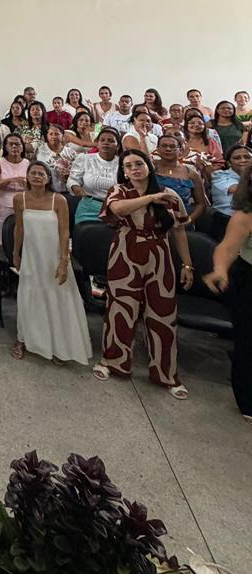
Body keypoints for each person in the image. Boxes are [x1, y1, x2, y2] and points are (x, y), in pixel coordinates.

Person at [93, 151, 192, 398]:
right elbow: (118, 209)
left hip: (159, 253)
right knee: (120, 308)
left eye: (139, 164)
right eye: (128, 166)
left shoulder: (170, 196)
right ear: (123, 171)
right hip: (125, 252)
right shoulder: (120, 190)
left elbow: (179, 231)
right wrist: (150, 198)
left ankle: (166, 373)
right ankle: (113, 361)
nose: (134, 168)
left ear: (148, 165)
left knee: (163, 312)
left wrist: (187, 265)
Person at [11, 161, 92, 365]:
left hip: (53, 256)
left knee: (56, 299)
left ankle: (58, 344)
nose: (37, 176)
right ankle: (23, 339)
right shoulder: (19, 199)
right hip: (31, 255)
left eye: (41, 174)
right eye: (33, 173)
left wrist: (64, 261)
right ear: (27, 176)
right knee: (28, 296)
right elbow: (19, 228)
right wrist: (15, 253)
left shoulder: (59, 200)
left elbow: (65, 231)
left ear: (48, 178)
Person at [205, 170, 252, 420]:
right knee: (248, 343)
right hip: (250, 280)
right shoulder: (245, 215)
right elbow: (227, 247)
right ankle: (248, 402)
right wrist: (220, 270)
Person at [68, 126, 121, 225]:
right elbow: (73, 180)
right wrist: (76, 188)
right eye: (102, 140)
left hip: (114, 209)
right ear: (98, 144)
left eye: (111, 141)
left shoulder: (123, 163)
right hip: (88, 206)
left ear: (117, 146)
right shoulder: (85, 159)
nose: (106, 143)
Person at [153, 133, 207, 227]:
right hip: (152, 219)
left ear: (180, 150)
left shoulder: (191, 174)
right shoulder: (150, 168)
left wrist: (188, 220)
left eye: (172, 146)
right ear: (157, 149)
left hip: (181, 221)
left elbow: (201, 204)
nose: (168, 149)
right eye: (164, 146)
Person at [0, 133, 29, 247]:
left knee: (20, 240)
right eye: (11, 144)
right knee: (0, 241)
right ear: (5, 147)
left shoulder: (27, 163)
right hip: (2, 206)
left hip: (22, 205)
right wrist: (10, 180)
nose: (14, 147)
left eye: (17, 144)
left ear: (22, 147)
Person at [208, 145, 252, 241]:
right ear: (229, 162)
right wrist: (247, 172)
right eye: (237, 158)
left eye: (247, 157)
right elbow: (239, 190)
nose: (243, 160)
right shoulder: (219, 175)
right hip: (226, 221)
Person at [184, 110, 224, 180]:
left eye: (200, 123)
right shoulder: (181, 142)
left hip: (208, 176)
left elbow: (219, 163)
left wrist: (206, 168)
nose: (196, 125)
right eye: (192, 123)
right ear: (186, 125)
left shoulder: (210, 142)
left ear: (204, 126)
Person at [34, 123, 70, 193]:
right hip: (45, 190)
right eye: (51, 134)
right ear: (47, 136)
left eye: (57, 134)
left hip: (66, 191)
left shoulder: (70, 152)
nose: (53, 136)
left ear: (62, 136)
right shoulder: (40, 149)